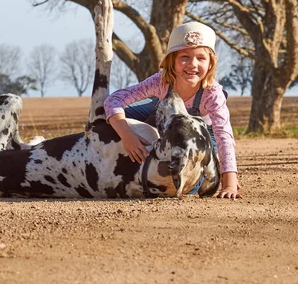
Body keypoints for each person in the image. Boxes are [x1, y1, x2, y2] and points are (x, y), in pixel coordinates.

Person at [103, 22, 241, 199]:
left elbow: (224, 136)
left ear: (210, 64)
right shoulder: (161, 81)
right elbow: (114, 100)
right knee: (107, 116)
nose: (192, 64)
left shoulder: (213, 93)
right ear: (172, 60)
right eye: (184, 57)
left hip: (204, 133)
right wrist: (126, 134)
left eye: (201, 58)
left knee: (194, 181)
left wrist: (229, 182)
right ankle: (110, 161)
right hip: (165, 117)